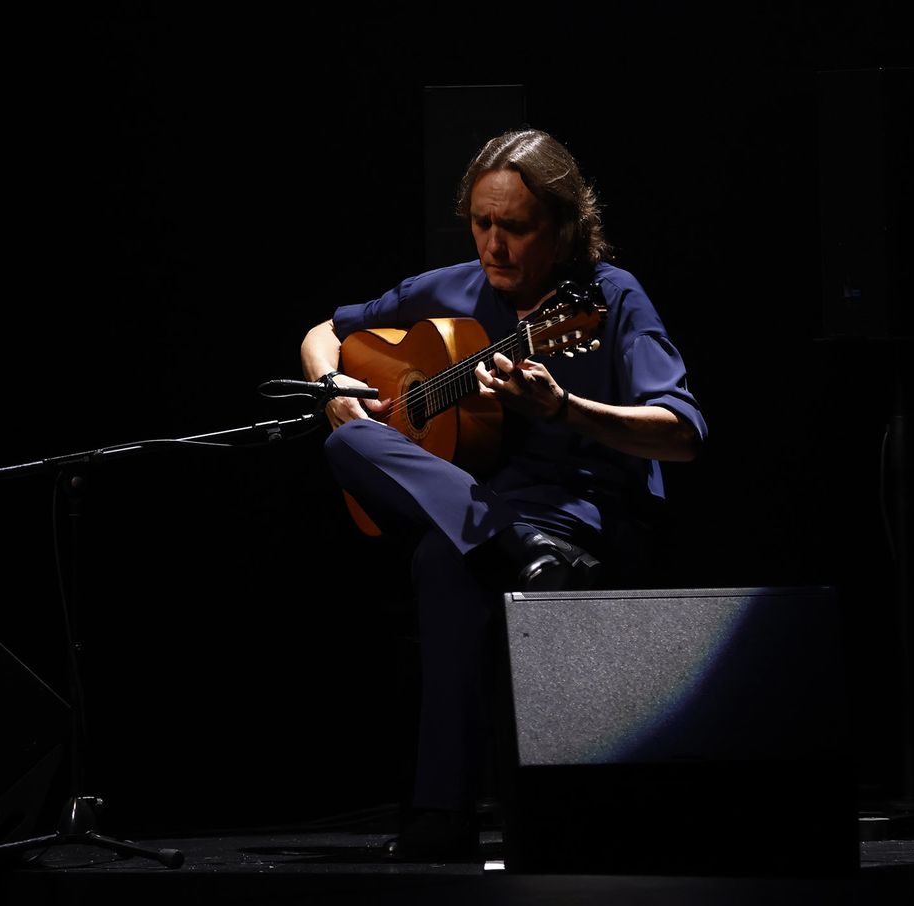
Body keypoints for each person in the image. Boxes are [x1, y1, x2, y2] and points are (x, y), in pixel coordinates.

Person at [298, 128, 707, 860]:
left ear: (564, 226)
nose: (494, 245)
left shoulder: (607, 300)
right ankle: (516, 549)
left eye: (514, 228)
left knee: (441, 562)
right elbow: (325, 331)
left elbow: (681, 432)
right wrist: (333, 384)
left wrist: (564, 410)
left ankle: (440, 815)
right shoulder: (452, 288)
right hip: (494, 518)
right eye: (482, 224)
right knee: (347, 438)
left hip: (582, 516)